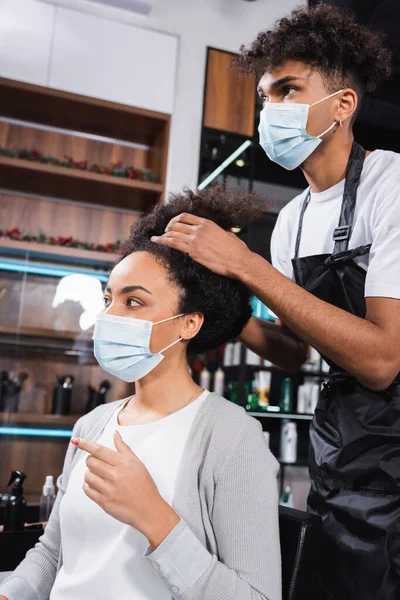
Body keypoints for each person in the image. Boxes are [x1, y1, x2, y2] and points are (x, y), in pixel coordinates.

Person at [151, 5, 400, 599]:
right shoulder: (292, 219)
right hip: (338, 449)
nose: (271, 110)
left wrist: (248, 266)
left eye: (288, 89)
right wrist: (221, 307)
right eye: (264, 96)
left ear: (342, 105)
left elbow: (382, 358)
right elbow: (293, 352)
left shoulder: (390, 184)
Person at [0, 185, 281, 600]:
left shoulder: (232, 438)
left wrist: (154, 518)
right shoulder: (92, 424)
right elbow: (53, 553)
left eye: (133, 303)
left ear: (189, 324)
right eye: (109, 298)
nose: (108, 316)